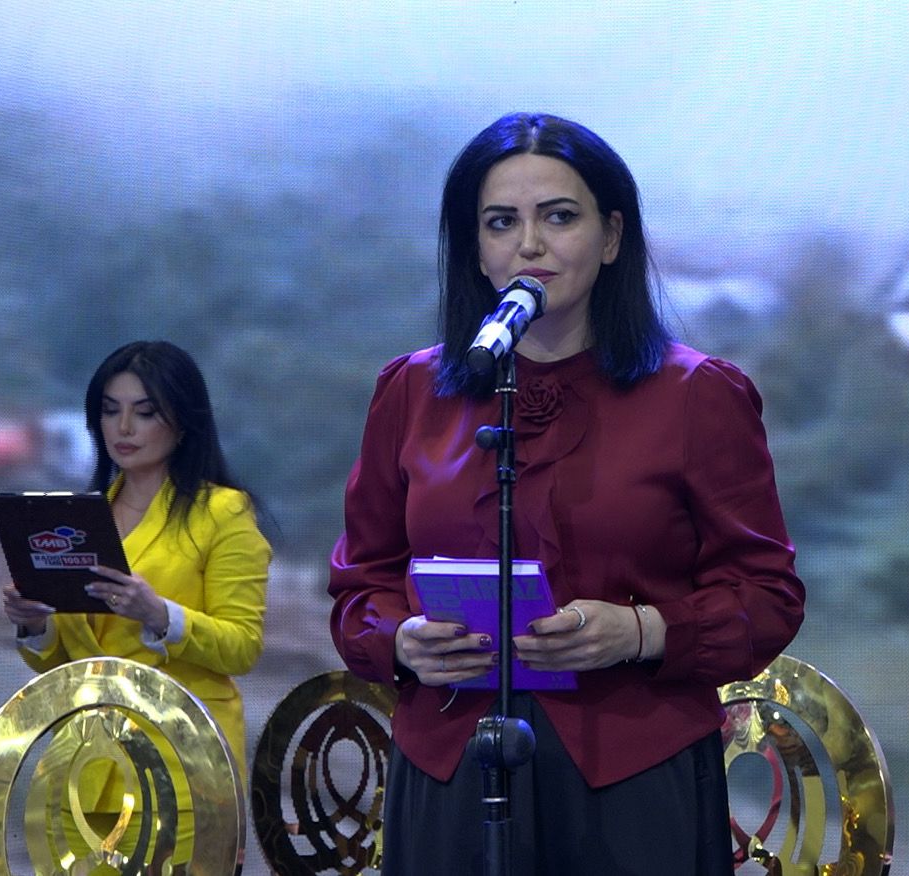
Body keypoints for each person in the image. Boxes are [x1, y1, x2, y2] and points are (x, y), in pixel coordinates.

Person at [329, 112, 805, 875]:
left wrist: (641, 631)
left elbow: (768, 595)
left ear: (611, 237)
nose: (530, 244)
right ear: (475, 247)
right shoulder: (411, 390)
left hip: (631, 780)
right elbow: (361, 585)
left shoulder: (697, 394)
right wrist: (401, 640)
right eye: (501, 222)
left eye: (558, 217)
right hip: (451, 772)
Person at [2, 340, 270, 866]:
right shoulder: (80, 519)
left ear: (184, 421)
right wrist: (34, 626)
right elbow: (68, 662)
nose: (123, 428)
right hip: (85, 768)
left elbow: (243, 647)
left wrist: (160, 616)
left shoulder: (223, 512)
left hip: (184, 767)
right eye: (110, 410)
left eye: (144, 413)